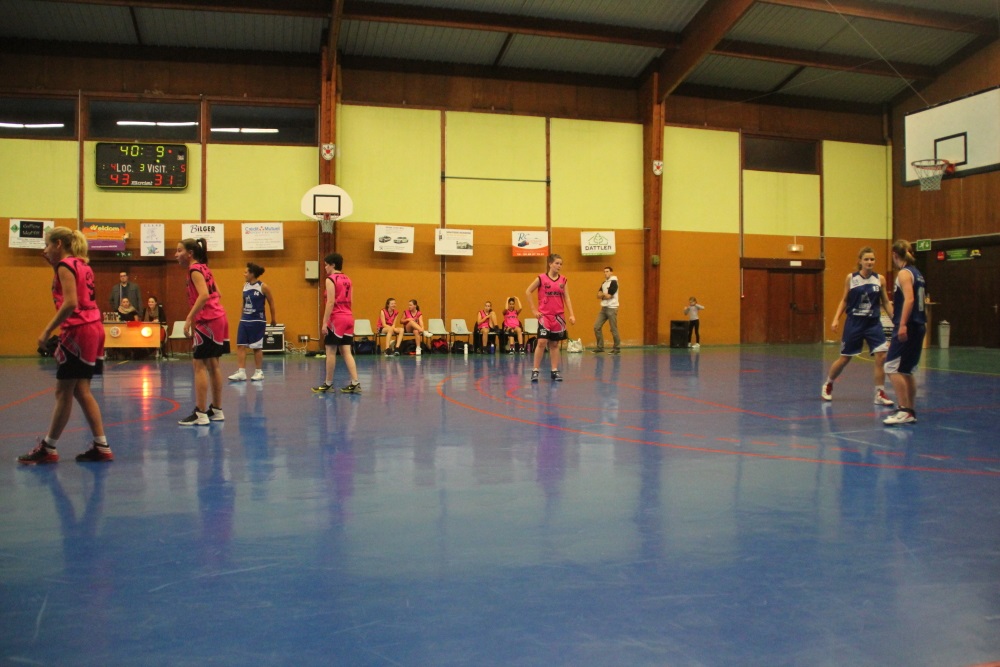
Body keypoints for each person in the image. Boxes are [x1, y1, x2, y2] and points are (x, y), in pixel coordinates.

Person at [18, 227, 113, 464]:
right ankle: (101, 446)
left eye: (47, 245)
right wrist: (54, 266)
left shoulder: (65, 265)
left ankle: (49, 448)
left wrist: (47, 330)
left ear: (58, 244)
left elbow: (70, 302)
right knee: (81, 390)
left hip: (79, 330)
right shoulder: (81, 264)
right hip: (94, 327)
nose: (45, 249)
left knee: (63, 391)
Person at [821, 247, 895, 406]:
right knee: (845, 358)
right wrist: (836, 319)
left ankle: (879, 393)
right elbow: (845, 300)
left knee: (882, 356)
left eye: (872, 259)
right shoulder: (851, 278)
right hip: (854, 323)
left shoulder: (880, 279)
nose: (869, 262)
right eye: (866, 259)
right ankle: (828, 384)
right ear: (860, 261)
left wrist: (895, 320)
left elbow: (885, 301)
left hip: (873, 323)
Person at [175, 238, 229, 426]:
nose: (176, 254)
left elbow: (204, 295)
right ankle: (217, 410)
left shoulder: (194, 270)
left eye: (179, 251)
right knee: (213, 364)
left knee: (199, 365)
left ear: (190, 253)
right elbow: (218, 293)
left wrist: (190, 317)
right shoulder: (205, 268)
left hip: (208, 321)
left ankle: (200, 413)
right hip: (219, 318)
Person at [883, 240, 927, 426]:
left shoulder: (903, 273)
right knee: (906, 370)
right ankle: (910, 410)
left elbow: (909, 300)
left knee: (891, 367)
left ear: (894, 255)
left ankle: (903, 409)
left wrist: (901, 325)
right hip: (918, 325)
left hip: (908, 325)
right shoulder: (917, 273)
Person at [311, 253, 361, 394]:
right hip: (348, 317)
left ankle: (328, 384)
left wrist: (324, 322)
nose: (325, 267)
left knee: (330, 351)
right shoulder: (348, 279)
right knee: (346, 351)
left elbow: (331, 302)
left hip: (337, 318)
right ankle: (355, 383)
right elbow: (351, 300)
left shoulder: (331, 279)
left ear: (333, 265)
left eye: (326, 265)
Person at [526, 253, 576, 382]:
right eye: (557, 263)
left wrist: (571, 314)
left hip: (558, 317)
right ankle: (535, 370)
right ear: (550, 264)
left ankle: (554, 370)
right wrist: (534, 310)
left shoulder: (563, 280)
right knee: (542, 342)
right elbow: (528, 291)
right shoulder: (541, 278)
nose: (559, 266)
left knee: (554, 344)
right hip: (545, 316)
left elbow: (567, 298)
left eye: (561, 264)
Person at [228, 263, 276, 382]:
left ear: (252, 274)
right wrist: (241, 317)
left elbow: (271, 303)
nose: (244, 274)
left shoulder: (263, 287)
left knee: (256, 347)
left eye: (246, 272)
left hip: (257, 320)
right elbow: (243, 303)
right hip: (245, 320)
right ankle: (241, 372)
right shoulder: (245, 286)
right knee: (240, 345)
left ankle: (259, 372)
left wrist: (273, 319)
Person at [592, 266, 620, 354]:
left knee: (613, 329)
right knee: (596, 327)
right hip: (604, 308)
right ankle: (600, 347)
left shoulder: (614, 282)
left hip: (612, 308)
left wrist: (603, 295)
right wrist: (604, 295)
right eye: (604, 272)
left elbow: (608, 296)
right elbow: (598, 295)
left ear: (611, 272)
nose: (605, 273)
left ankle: (617, 348)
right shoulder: (604, 283)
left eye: (607, 271)